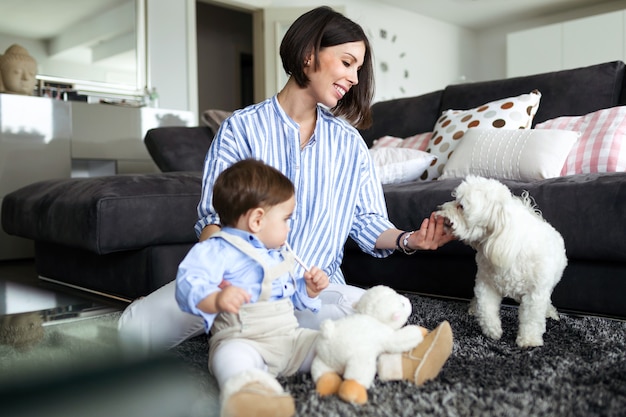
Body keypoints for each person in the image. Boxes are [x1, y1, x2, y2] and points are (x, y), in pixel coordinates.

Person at [119, 5, 454, 386]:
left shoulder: (350, 144)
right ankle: (242, 336)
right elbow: (214, 217)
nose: (353, 78)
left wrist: (411, 239)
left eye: (358, 69)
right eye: (347, 62)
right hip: (240, 283)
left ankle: (377, 353)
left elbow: (366, 223)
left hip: (313, 287)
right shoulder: (241, 129)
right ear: (309, 53)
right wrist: (215, 279)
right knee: (133, 330)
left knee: (370, 317)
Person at [176, 159, 328, 417]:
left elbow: (289, 297)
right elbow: (188, 282)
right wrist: (216, 298)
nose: (289, 227)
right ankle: (250, 398)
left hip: (290, 340)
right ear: (257, 219)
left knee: (328, 342)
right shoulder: (216, 249)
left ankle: (390, 356)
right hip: (244, 340)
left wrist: (308, 290)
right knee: (232, 361)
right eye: (286, 219)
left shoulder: (275, 254)